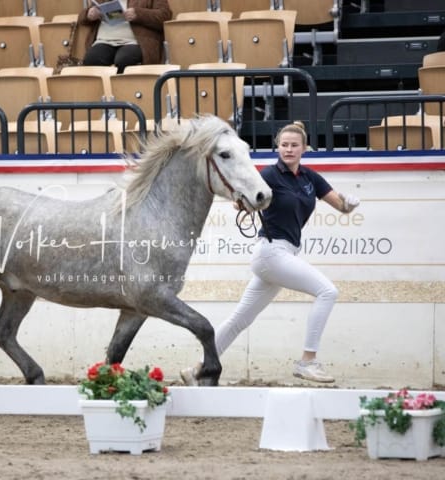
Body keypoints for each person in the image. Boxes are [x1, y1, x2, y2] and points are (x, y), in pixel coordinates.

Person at [181, 122, 361, 385]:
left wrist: (350, 204)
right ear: (278, 147)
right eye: (284, 145)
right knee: (327, 291)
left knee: (240, 319)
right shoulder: (268, 175)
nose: (288, 150)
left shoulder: (311, 178)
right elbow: (243, 199)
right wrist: (242, 205)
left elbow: (341, 206)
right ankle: (308, 361)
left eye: (294, 145)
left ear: (304, 148)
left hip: (283, 254)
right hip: (271, 253)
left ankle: (196, 369)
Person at [79, 0, 171, 73]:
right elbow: (81, 19)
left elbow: (165, 15)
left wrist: (139, 14)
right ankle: (101, 95)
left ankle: (124, 94)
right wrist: (89, 14)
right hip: (104, 40)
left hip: (135, 42)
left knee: (125, 59)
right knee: (92, 59)